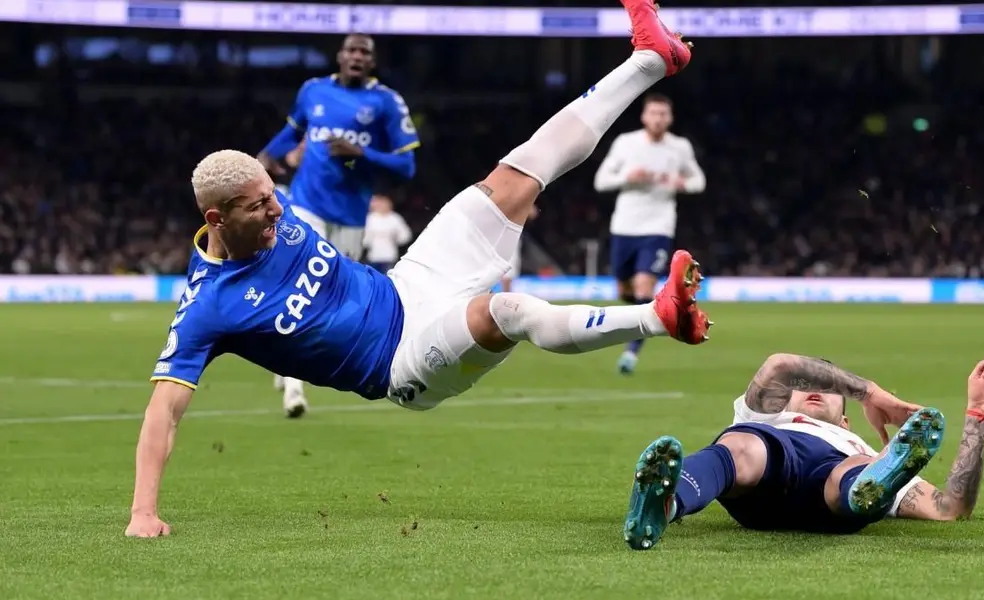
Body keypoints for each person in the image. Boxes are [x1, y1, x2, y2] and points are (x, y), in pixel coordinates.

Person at [129, 0, 821, 539]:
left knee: (515, 176)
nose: (276, 214)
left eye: (274, 198)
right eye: (259, 209)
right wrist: (142, 511)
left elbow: (373, 168)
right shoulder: (209, 307)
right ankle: (658, 317)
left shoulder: (274, 205)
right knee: (506, 310)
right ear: (218, 220)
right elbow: (165, 409)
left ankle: (648, 58)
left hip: (407, 282)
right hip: (398, 364)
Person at [622, 346, 984, 550]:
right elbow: (781, 365)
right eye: (807, 386)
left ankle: (866, 491)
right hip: (767, 462)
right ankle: (665, 505)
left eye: (831, 393)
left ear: (846, 420)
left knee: (862, 466)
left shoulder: (854, 442)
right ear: (784, 399)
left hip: (835, 476)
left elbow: (950, 509)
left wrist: (978, 417)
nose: (814, 388)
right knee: (742, 445)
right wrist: (870, 392)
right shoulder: (764, 415)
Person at [257, 33, 420, 415]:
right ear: (340, 56)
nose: (357, 57)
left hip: (350, 216)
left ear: (372, 62)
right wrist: (264, 156)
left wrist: (361, 152)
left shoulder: (386, 102)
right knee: (297, 287)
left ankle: (287, 363)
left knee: (327, 300)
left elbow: (406, 165)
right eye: (352, 50)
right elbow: (292, 132)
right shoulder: (312, 91)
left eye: (365, 52)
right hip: (306, 204)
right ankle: (293, 389)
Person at [593, 93, 706, 375]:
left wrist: (681, 183)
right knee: (625, 290)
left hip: (658, 227)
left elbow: (698, 181)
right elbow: (601, 181)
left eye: (663, 114)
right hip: (624, 226)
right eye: (653, 113)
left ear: (670, 118)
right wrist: (626, 178)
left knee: (644, 288)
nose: (658, 119)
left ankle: (632, 352)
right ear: (644, 116)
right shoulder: (626, 143)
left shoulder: (679, 147)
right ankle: (652, 317)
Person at [362, 195, 413, 273]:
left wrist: (395, 239)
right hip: (373, 256)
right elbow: (364, 238)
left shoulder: (394, 218)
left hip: (389, 256)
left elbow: (406, 235)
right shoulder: (370, 218)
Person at [501, 205, 538, 293]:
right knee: (508, 268)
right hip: (507, 235)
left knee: (510, 268)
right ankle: (506, 296)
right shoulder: (509, 198)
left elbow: (533, 213)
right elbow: (533, 213)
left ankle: (507, 295)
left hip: (509, 234)